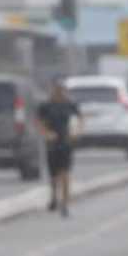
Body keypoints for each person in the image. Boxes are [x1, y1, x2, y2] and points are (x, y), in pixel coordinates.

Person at [35, 78, 84, 219]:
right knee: (54, 176)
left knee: (66, 175)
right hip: (52, 143)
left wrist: (79, 131)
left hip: (66, 142)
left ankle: (65, 205)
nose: (61, 92)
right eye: (58, 89)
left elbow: (81, 117)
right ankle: (53, 197)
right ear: (54, 90)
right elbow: (38, 121)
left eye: (62, 89)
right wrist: (46, 133)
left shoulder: (70, 104)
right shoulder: (46, 105)